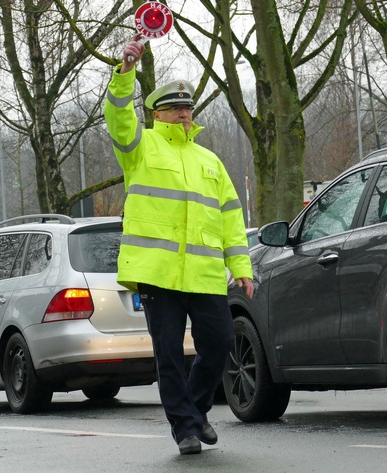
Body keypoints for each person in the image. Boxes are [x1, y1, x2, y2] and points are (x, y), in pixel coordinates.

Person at [104, 36, 254, 455]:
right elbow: (117, 118)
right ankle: (185, 428)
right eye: (175, 108)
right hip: (157, 272)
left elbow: (230, 217)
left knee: (221, 343)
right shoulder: (140, 147)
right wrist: (125, 71)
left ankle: (197, 410)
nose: (184, 114)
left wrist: (241, 267)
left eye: (188, 107)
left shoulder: (210, 161)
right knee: (168, 352)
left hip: (204, 274)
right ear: (157, 113)